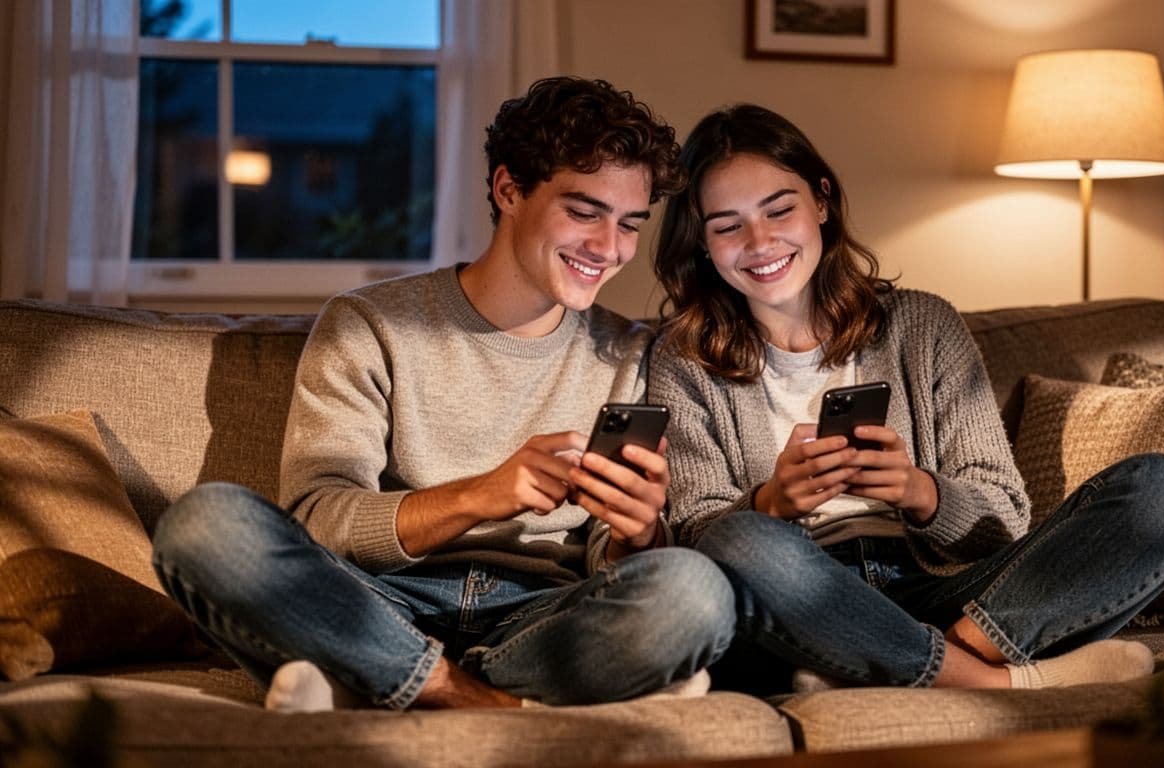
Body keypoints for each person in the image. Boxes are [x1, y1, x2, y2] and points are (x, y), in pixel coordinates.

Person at [152, 77, 733, 711]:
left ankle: (369, 680)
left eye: (629, 224)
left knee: (694, 592)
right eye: (584, 212)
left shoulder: (631, 352)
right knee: (204, 526)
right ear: (508, 190)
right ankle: (477, 699)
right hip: (377, 601)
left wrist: (637, 532)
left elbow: (609, 561)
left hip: (540, 618)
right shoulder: (368, 323)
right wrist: (480, 495)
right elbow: (320, 517)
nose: (609, 248)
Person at [649, 103, 1164, 693]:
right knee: (743, 540)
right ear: (702, 243)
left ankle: (886, 660)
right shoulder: (684, 361)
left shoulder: (924, 327)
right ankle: (986, 682)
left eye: (779, 209)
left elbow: (1005, 518)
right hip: (794, 596)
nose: (760, 241)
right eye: (727, 226)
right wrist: (771, 503)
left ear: (821, 202)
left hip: (941, 591)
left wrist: (919, 492)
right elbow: (695, 547)